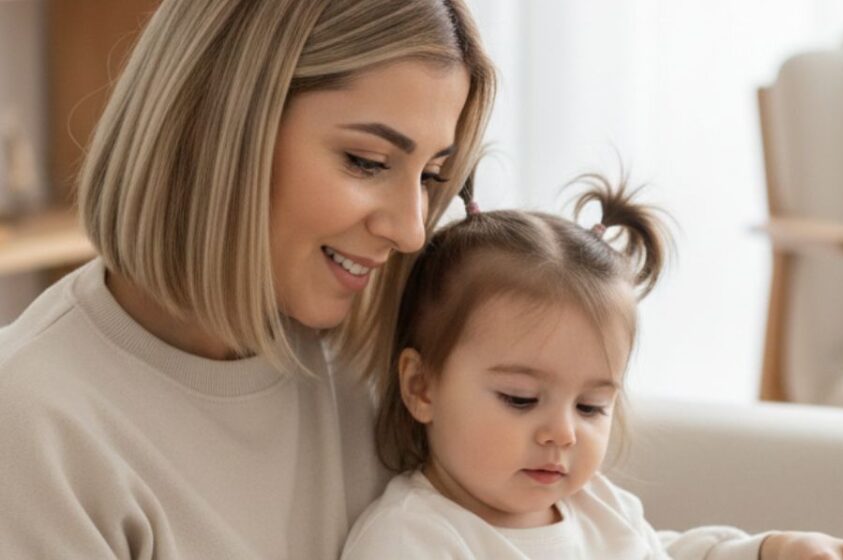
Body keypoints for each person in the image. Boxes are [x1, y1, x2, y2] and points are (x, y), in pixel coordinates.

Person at [0, 1, 495, 558]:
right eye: (367, 161)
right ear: (219, 129)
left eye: (431, 175)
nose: (411, 230)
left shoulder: (401, 367)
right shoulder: (33, 427)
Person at [339, 175, 843, 560]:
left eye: (591, 406)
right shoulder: (413, 539)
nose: (563, 431)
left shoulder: (596, 506)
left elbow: (662, 552)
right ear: (421, 386)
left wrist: (770, 551)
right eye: (520, 397)